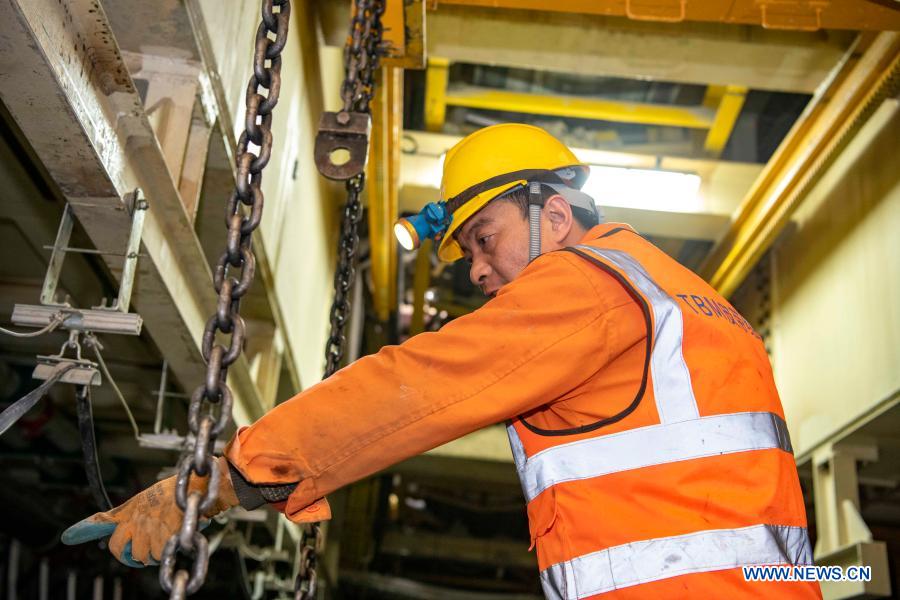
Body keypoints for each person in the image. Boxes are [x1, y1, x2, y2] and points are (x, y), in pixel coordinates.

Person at [63, 124, 820, 598]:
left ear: (555, 215)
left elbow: (413, 388)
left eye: (484, 238)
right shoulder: (694, 300)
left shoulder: (586, 285)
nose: (478, 271)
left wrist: (224, 479)